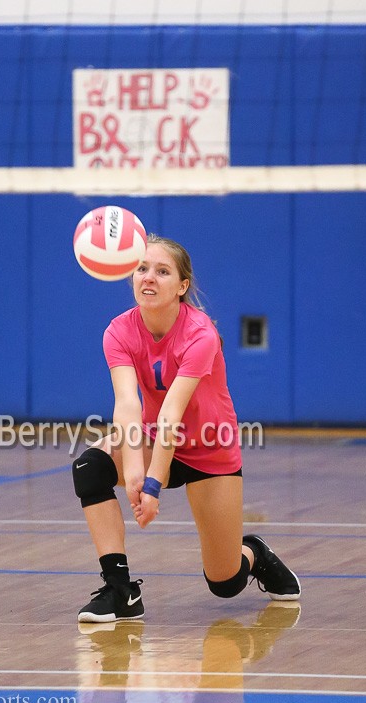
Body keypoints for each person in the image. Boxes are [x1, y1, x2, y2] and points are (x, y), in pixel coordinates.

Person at [73, 234, 301, 623]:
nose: (149, 277)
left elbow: (172, 415)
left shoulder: (200, 334)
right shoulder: (119, 331)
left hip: (210, 447)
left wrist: (151, 486)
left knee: (225, 583)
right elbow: (128, 405)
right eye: (142, 268)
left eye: (162, 271)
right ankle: (121, 590)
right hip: (151, 437)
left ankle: (254, 553)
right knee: (89, 468)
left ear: (181, 287)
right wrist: (131, 473)